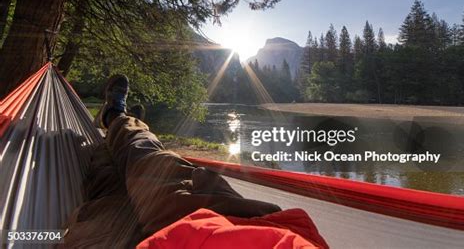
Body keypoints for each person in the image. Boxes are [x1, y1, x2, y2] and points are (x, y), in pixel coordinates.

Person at [63, 75, 328, 248]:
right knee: (146, 162)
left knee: (127, 170)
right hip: (220, 226)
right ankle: (117, 121)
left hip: (187, 229)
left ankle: (114, 118)